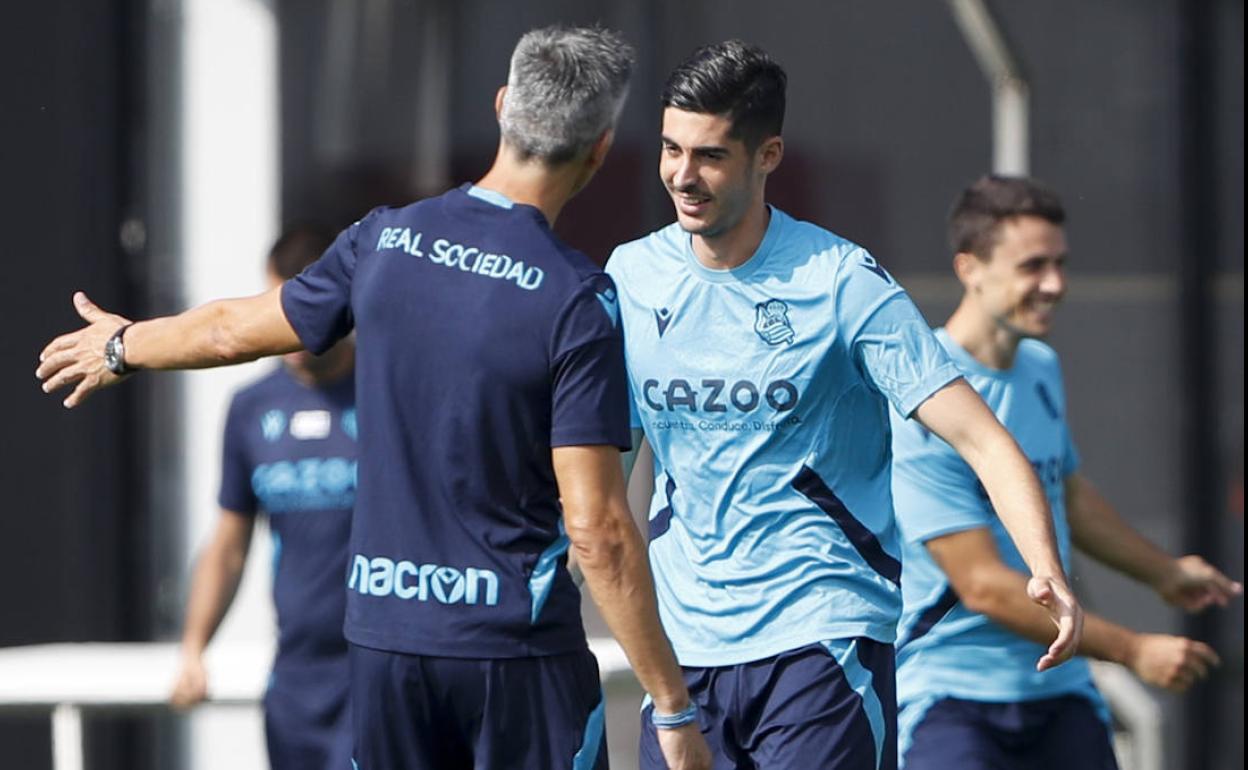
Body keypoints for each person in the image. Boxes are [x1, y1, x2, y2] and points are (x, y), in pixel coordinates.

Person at [37, 25, 710, 770]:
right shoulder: (577, 298)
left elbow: (232, 331)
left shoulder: (384, 241)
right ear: (601, 148)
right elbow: (598, 530)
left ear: (501, 107)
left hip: (387, 648)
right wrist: (673, 707)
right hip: (510, 656)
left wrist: (121, 345)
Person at [606, 41, 1084, 770]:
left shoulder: (840, 281)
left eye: (709, 155)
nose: (682, 175)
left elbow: (985, 439)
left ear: (768, 155)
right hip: (683, 649)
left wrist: (1044, 563)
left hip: (820, 637)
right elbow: (604, 463)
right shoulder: (631, 275)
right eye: (671, 149)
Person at [888, 174, 1243, 769]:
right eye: (1032, 266)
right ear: (969, 268)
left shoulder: (1040, 365)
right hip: (951, 697)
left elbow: (1069, 494)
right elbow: (980, 584)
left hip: (1060, 693)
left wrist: (1164, 571)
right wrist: (1133, 649)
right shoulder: (925, 395)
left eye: (1060, 263)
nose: (1055, 284)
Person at [167, 227, 355, 769]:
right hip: (295, 679)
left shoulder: (391, 392)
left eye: (302, 310)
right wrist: (194, 649)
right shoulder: (252, 408)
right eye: (278, 308)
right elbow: (228, 543)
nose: (289, 327)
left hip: (379, 670)